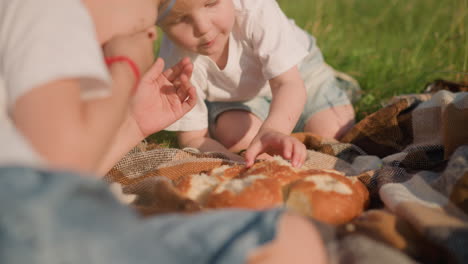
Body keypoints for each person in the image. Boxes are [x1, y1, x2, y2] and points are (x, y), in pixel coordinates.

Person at [0, 0, 330, 263]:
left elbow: (65, 172)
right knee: (282, 237)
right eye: (148, 18)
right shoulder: (46, 10)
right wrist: (125, 67)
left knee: (290, 234)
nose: (148, 35)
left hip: (36, 217)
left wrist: (134, 125)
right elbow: (56, 174)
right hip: (24, 224)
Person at [158, 0, 357, 168]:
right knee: (241, 143)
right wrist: (237, 164)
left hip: (297, 75)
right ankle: (277, 126)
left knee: (333, 132)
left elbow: (287, 84)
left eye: (211, 2)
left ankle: (336, 86)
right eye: (181, 19)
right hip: (235, 97)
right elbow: (193, 138)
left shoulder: (256, 10)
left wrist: (275, 131)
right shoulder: (175, 63)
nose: (202, 27)